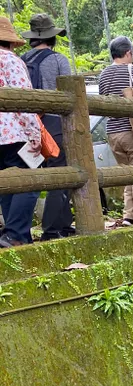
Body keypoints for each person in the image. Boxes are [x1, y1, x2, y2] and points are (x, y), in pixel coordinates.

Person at [20, 13, 74, 240]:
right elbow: (71, 91)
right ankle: (53, 229)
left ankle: (21, 230)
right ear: (53, 37)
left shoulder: (21, 60)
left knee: (29, 174)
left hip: (26, 124)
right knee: (60, 173)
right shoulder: (59, 60)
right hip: (53, 122)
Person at [98, 36, 133, 225]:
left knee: (128, 174)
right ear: (128, 52)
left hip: (113, 132)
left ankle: (129, 215)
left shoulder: (103, 74)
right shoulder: (132, 70)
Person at [0, 17, 42, 247]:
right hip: (13, 132)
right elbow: (24, 98)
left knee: (7, 184)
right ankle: (15, 234)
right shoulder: (10, 60)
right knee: (32, 179)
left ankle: (15, 236)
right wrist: (34, 133)